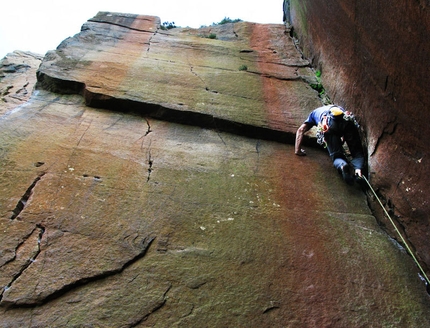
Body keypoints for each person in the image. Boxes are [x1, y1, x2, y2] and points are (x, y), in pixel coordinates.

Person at [295, 104, 365, 185]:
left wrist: (298, 150)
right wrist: (343, 138)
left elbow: (301, 130)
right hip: (345, 120)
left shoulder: (313, 114)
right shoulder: (337, 107)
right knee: (357, 153)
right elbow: (343, 127)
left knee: (337, 156)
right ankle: (358, 172)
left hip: (328, 125)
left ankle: (342, 165)